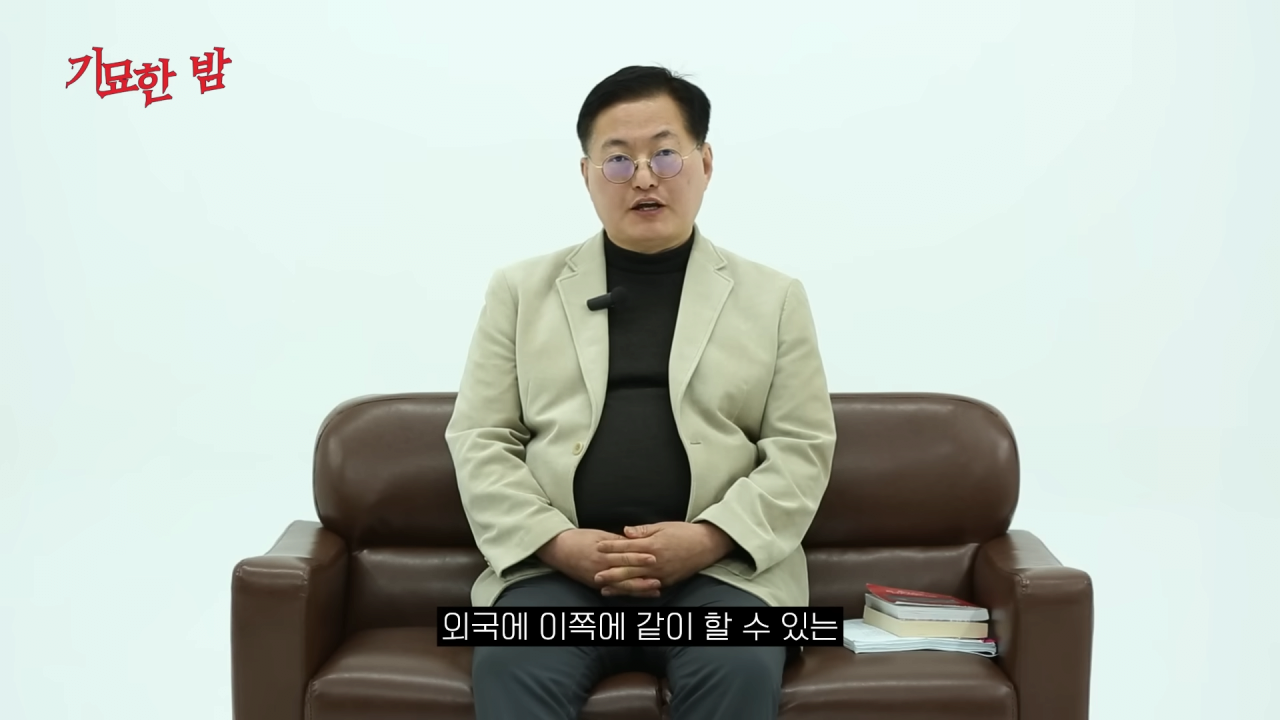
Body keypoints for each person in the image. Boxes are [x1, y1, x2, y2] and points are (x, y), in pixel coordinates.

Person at [444, 65, 837, 720]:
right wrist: (559, 543)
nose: (645, 177)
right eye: (619, 159)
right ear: (587, 174)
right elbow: (480, 438)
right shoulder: (519, 291)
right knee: (513, 664)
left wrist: (708, 538)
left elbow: (802, 449)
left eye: (665, 154)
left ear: (704, 163)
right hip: (556, 576)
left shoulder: (775, 299)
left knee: (739, 666)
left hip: (722, 577)